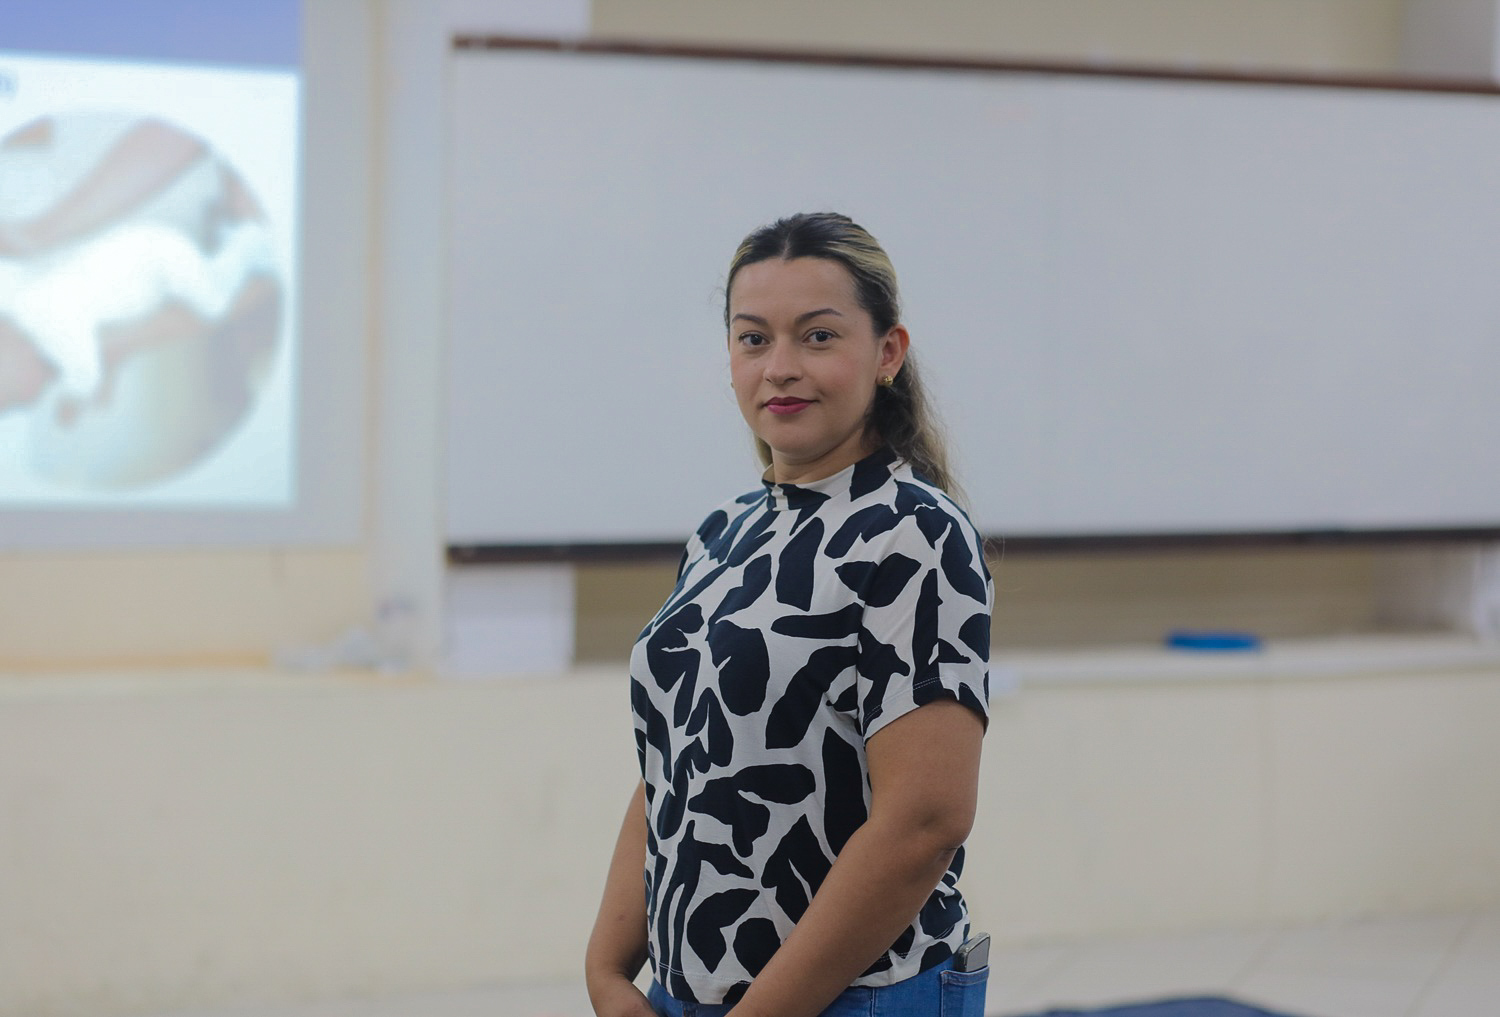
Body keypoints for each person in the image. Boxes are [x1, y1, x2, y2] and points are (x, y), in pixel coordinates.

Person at [586, 212, 992, 1017]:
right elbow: (678, 761)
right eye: (753, 339)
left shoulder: (915, 532)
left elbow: (925, 821)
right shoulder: (723, 531)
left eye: (817, 337)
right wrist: (606, 968)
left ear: (887, 353)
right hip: (687, 994)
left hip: (858, 998)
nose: (779, 368)